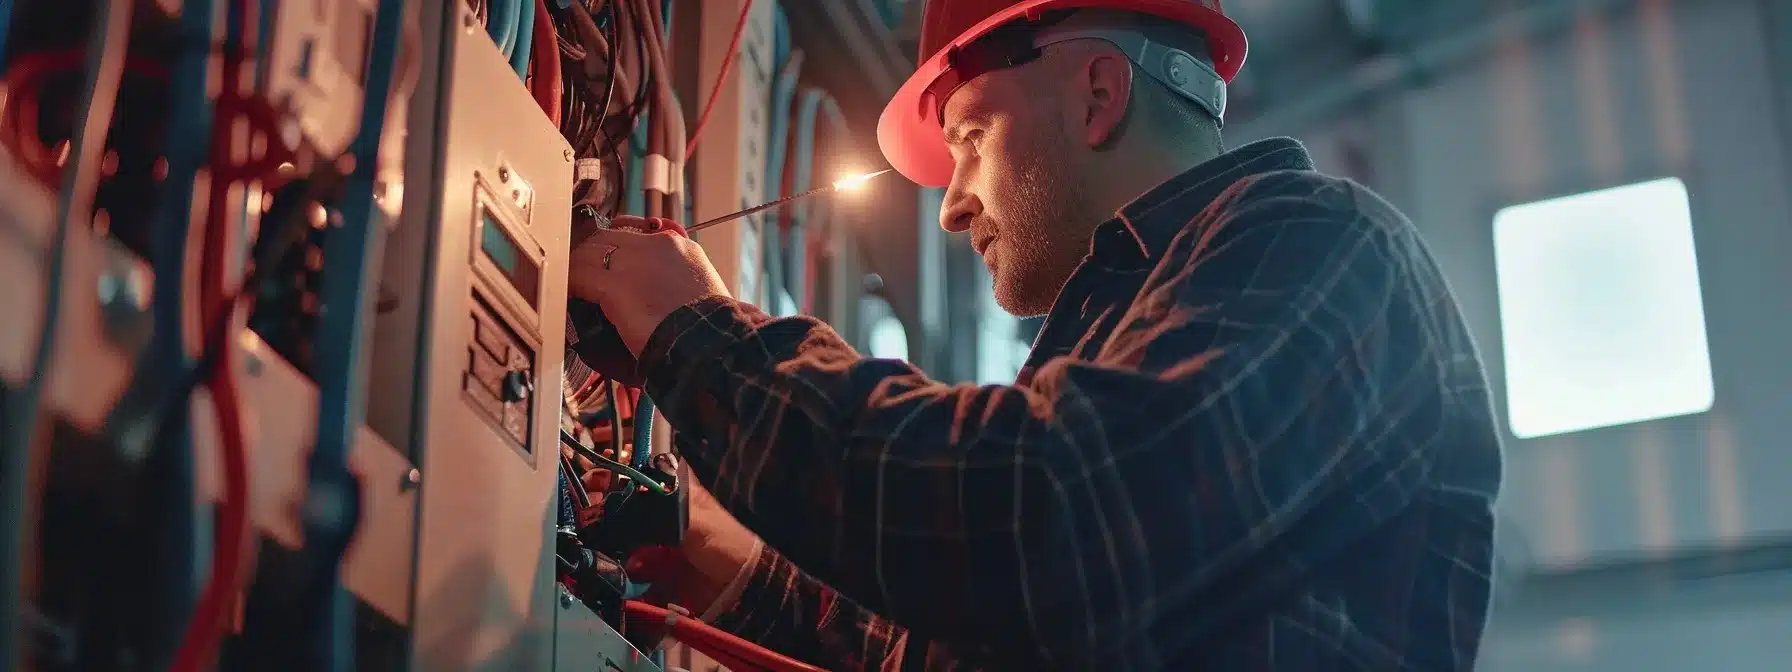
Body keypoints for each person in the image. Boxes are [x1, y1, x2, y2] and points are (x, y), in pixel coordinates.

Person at [569, 0, 1504, 668]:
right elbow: (980, 635)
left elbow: (1041, 518)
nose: (951, 207)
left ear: (1097, 93)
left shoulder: (1321, 251)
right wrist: (740, 573)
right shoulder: (1121, 342)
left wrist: (701, 336)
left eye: (970, 138)